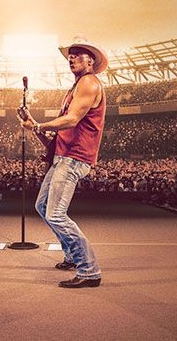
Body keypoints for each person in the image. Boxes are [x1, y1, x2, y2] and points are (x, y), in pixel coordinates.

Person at [18, 37, 108, 288]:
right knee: (42, 205)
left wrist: (38, 124)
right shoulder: (75, 87)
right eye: (70, 55)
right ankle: (71, 255)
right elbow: (56, 138)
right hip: (63, 156)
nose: (71, 58)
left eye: (77, 54)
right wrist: (33, 125)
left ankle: (89, 270)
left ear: (90, 61)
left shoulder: (89, 82)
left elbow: (72, 120)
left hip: (74, 157)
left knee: (56, 214)